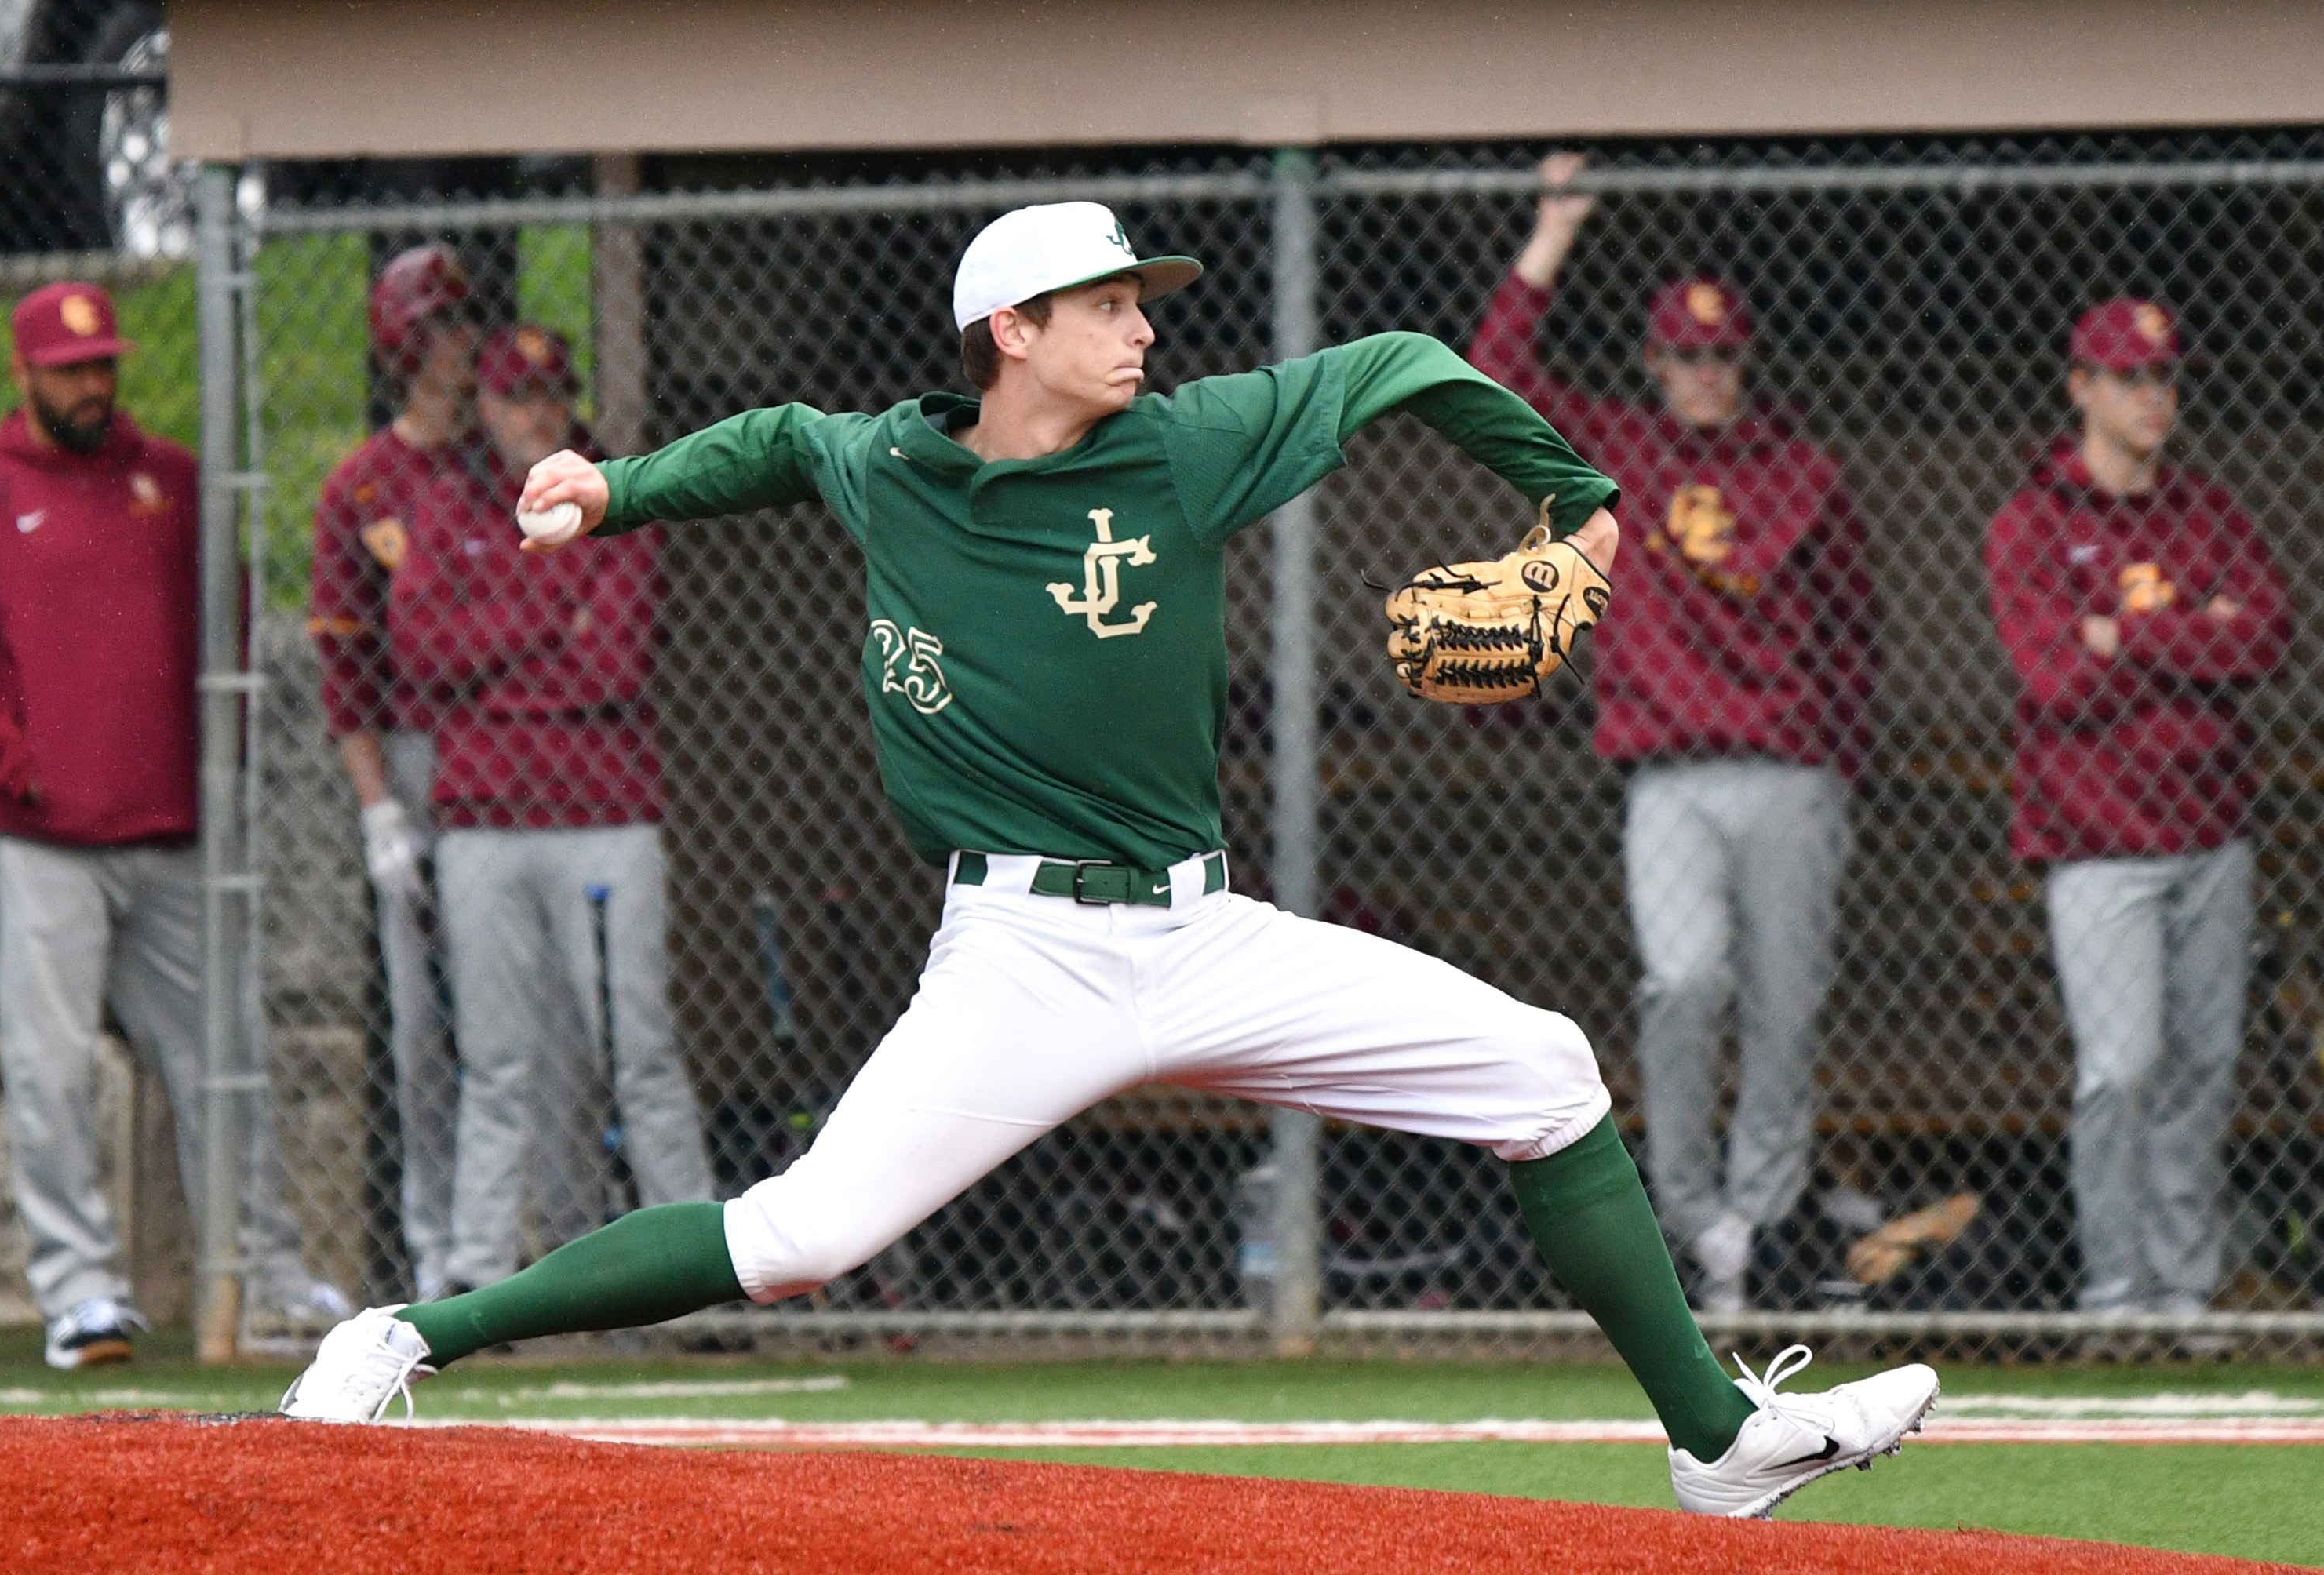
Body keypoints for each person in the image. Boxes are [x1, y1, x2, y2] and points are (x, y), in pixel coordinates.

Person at [283, 202, 1936, 1519]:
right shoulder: (897, 464)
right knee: (797, 1235)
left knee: (1547, 1072)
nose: (1145, 324)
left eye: (1143, 299)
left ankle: (1714, 1439)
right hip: (1019, 959)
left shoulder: (1187, 442)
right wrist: (619, 485)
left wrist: (1574, 504)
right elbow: (784, 437)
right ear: (1012, 331)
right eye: (1108, 303)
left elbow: (1398, 361)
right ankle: (410, 1332)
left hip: (1201, 932)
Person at [0, 282, 348, 1367]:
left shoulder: (175, 484)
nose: (92, 383)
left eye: (103, 363)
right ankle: (80, 1295)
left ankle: (264, 1279)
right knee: (49, 1071)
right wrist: (28, 768)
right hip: (37, 839)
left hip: (173, 833)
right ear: (25, 375)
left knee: (224, 1058)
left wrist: (212, 764)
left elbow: (232, 623)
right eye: (69, 369)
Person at [1469, 154, 1878, 1314]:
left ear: (1742, 363)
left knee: (1786, 1003)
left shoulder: (1803, 468)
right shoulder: (1614, 457)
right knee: (1682, 982)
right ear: (1653, 365)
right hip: (1666, 777)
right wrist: (1549, 234)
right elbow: (1491, 374)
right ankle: (1694, 1219)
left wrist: (1836, 766)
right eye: (1684, 355)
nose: (1704, 374)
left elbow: (1857, 632)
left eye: (1721, 355)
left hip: (1792, 772)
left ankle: (1760, 1223)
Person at [388, 324, 716, 1293]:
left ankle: (697, 1278)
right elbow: (417, 649)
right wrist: (543, 619)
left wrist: (488, 654)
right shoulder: (448, 505)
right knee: (495, 1064)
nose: (535, 413)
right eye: (515, 396)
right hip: (485, 823)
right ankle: (477, 1278)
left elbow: (614, 662)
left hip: (607, 816)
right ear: (484, 408)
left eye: (550, 395)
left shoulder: (616, 495)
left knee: (639, 1054)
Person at [1985, 299, 2290, 1315]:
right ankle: (2114, 1289)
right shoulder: (2031, 519)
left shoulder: (2206, 510)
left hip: (2213, 834)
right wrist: (2188, 639)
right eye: (2126, 379)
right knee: (2118, 1069)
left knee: (2204, 1066)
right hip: (2094, 841)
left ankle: (2184, 1290)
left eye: (2160, 378)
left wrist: (2120, 636)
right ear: (2079, 387)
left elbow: (2265, 639)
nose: (2150, 396)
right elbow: (2052, 680)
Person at [306, 244, 476, 1301]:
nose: (464, 344)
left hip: (514, 754)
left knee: (522, 1027)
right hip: (415, 756)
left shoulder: (507, 454)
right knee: (423, 1028)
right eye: (446, 326)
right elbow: (345, 665)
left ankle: (528, 1245)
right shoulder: (365, 482)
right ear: (409, 343)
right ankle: (434, 1251)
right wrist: (379, 812)